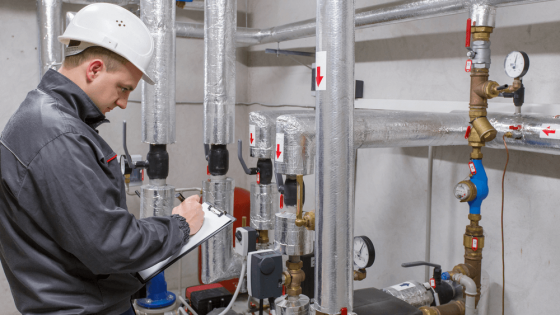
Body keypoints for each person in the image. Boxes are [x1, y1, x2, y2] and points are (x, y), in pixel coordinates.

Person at [0, 3, 204, 315]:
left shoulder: (40, 117)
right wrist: (180, 226)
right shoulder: (60, 135)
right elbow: (111, 245)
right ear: (94, 69)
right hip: (84, 307)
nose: (123, 102)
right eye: (123, 88)